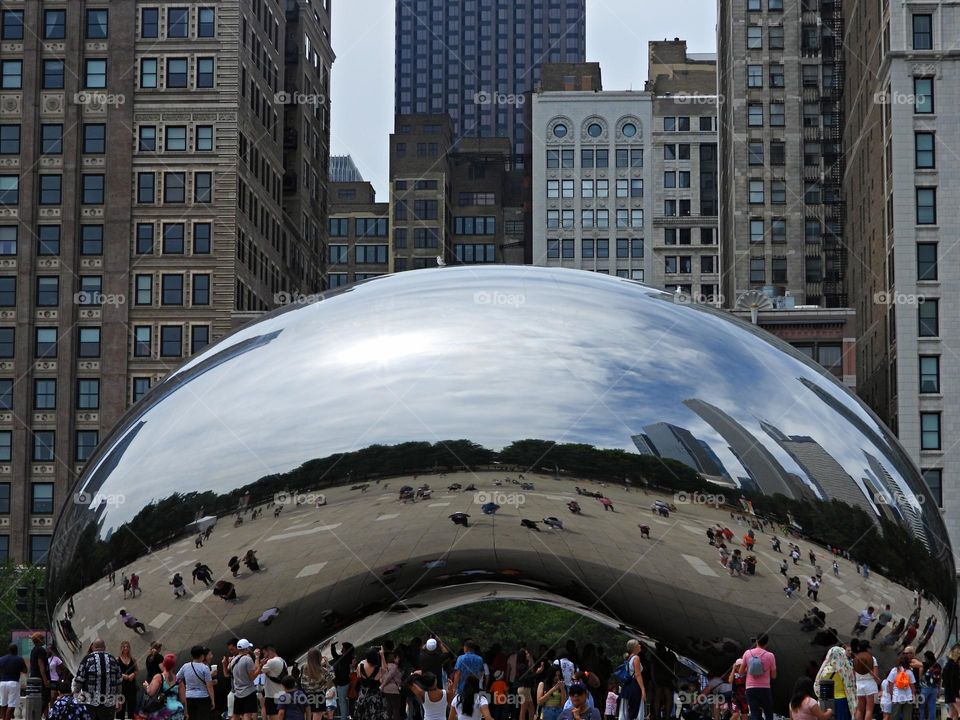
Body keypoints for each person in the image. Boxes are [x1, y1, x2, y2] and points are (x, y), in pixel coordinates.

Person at [74, 639, 123, 720]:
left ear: (93, 647)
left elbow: (79, 680)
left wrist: (75, 696)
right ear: (104, 647)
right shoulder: (113, 659)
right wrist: (119, 699)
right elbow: (119, 682)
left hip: (90, 703)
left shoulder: (87, 659)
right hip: (109, 703)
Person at [741, 634, 776, 720]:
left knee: (754, 713)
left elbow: (741, 672)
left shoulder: (747, 653)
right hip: (765, 688)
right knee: (768, 713)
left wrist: (749, 670)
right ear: (767, 643)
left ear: (756, 641)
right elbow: (774, 676)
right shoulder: (770, 656)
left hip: (750, 688)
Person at [815, 646, 856, 720]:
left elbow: (817, 685)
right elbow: (852, 684)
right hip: (842, 700)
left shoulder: (825, 670)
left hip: (827, 701)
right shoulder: (846, 669)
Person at [177, 645, 215, 720]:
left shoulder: (185, 666)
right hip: (203, 697)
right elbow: (209, 686)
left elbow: (177, 678)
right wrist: (213, 700)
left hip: (189, 697)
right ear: (202, 655)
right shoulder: (205, 668)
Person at [143, 653, 186, 720]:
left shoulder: (159, 677)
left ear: (164, 664)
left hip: (162, 710)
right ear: (174, 665)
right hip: (176, 711)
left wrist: (146, 686)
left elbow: (151, 693)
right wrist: (186, 713)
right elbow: (183, 700)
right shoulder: (179, 681)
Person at [230, 639, 265, 720]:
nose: (249, 649)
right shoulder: (247, 659)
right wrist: (260, 666)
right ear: (246, 648)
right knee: (247, 715)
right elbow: (252, 677)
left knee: (236, 715)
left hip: (238, 692)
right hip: (249, 691)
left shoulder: (233, 660)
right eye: (249, 647)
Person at [354, 646, 390, 720]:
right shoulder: (378, 670)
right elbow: (386, 670)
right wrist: (382, 655)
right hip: (374, 698)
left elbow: (358, 675)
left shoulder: (360, 666)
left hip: (363, 696)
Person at [852, 641, 880, 720]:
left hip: (858, 684)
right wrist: (878, 680)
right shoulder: (872, 658)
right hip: (870, 684)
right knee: (869, 710)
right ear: (867, 648)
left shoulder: (855, 658)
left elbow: (853, 674)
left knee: (860, 709)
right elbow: (875, 674)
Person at [619, 640, 647, 720]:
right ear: (634, 647)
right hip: (634, 686)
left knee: (626, 712)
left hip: (627, 687)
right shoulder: (636, 658)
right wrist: (643, 689)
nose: (640, 646)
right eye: (639, 645)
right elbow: (638, 675)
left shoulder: (628, 658)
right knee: (635, 711)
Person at [301, 650, 333, 716]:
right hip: (319, 696)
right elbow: (331, 676)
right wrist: (327, 664)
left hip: (307, 696)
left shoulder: (304, 668)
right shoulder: (322, 670)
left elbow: (303, 684)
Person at [884, 655, 916, 720]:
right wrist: (913, 696)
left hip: (897, 696)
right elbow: (913, 687)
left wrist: (891, 695)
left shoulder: (894, 670)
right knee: (907, 717)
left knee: (894, 717)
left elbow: (890, 684)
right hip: (908, 697)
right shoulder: (909, 672)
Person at [0, 644, 26, 720]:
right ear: (16, 650)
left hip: (2, 683)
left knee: (3, 703)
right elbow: (25, 670)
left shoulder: (1, 659)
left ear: (9, 650)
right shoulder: (19, 659)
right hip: (13, 683)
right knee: (11, 705)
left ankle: (2, 718)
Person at [263, 646, 289, 720]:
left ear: (269, 651)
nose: (264, 656)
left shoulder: (271, 661)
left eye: (264, 653)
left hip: (272, 696)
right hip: (282, 694)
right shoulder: (283, 661)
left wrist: (260, 661)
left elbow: (258, 671)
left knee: (273, 717)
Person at [331, 643, 355, 720]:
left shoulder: (345, 658)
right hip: (346, 683)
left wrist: (332, 647)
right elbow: (335, 655)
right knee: (348, 701)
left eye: (343, 647)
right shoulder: (350, 658)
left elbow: (335, 656)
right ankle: (350, 716)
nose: (341, 649)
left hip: (342, 684)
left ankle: (344, 718)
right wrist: (332, 647)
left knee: (342, 702)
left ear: (346, 649)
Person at [29, 632, 52, 714]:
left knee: (40, 699)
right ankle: (36, 715)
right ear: (39, 640)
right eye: (42, 638)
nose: (44, 640)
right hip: (41, 679)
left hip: (34, 678)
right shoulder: (41, 650)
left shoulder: (34, 650)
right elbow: (41, 665)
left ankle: (44, 716)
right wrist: (45, 680)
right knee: (46, 699)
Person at [116, 640, 139, 720]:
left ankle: (131, 717)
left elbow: (136, 670)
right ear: (121, 648)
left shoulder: (133, 659)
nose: (126, 648)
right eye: (124, 647)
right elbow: (114, 672)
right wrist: (122, 675)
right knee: (121, 707)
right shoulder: (117, 659)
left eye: (127, 647)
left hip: (131, 685)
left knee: (131, 705)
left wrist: (134, 674)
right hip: (121, 687)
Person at [917, 651, 940, 720]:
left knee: (922, 706)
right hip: (934, 688)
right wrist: (938, 688)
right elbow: (940, 678)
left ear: (926, 657)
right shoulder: (938, 665)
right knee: (932, 706)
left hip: (925, 688)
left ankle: (922, 718)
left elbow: (920, 676)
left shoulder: (924, 664)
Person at [380, 652, 402, 720]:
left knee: (389, 707)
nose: (399, 659)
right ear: (394, 659)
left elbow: (382, 677)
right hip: (393, 690)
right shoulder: (394, 666)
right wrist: (382, 685)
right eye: (397, 658)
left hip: (386, 690)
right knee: (396, 708)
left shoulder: (385, 665)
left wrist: (383, 685)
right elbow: (389, 676)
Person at [941, 645, 960, 720]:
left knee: (952, 713)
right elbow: (954, 681)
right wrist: (956, 695)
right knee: (955, 712)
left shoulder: (947, 665)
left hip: (948, 692)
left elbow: (945, 680)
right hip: (953, 693)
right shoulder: (954, 666)